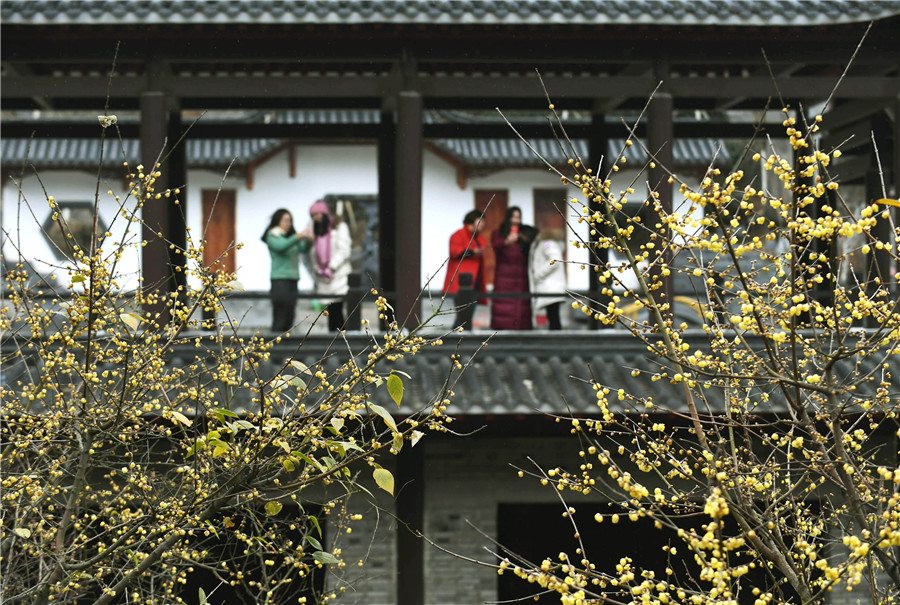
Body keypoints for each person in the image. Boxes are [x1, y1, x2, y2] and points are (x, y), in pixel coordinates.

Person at [303, 199, 352, 331]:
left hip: (338, 274)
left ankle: (341, 339)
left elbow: (344, 250)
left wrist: (331, 266)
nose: (317, 218)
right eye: (313, 215)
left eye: (318, 214)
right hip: (322, 276)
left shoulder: (339, 227)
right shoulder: (316, 231)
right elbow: (312, 254)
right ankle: (333, 339)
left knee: (337, 309)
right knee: (331, 310)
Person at [262, 208, 310, 333]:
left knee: (290, 314)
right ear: (278, 221)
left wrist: (309, 239)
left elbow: (302, 248)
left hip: (292, 279)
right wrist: (298, 236)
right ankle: (276, 346)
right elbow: (281, 246)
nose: (288, 223)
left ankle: (288, 347)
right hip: (280, 280)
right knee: (280, 314)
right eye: (286, 220)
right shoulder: (272, 235)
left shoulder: (290, 237)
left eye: (290, 221)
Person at [490, 206, 535, 331]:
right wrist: (507, 242)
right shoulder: (499, 233)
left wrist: (523, 238)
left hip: (521, 278)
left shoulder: (524, 233)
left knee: (521, 307)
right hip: (503, 278)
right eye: (513, 217)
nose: (516, 220)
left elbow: (535, 235)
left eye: (518, 217)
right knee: (504, 305)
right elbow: (495, 246)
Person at [443, 209, 487, 330]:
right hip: (461, 282)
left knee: (467, 314)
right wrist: (472, 252)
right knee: (463, 314)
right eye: (481, 221)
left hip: (475, 282)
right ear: (472, 221)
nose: (483, 224)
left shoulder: (479, 238)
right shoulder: (458, 235)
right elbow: (455, 252)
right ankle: (456, 338)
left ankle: (458, 337)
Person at [529, 228, 567, 330]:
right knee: (553, 316)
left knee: (553, 316)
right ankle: (555, 340)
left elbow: (554, 259)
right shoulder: (549, 242)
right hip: (552, 286)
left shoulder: (546, 243)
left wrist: (539, 274)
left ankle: (555, 341)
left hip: (551, 286)